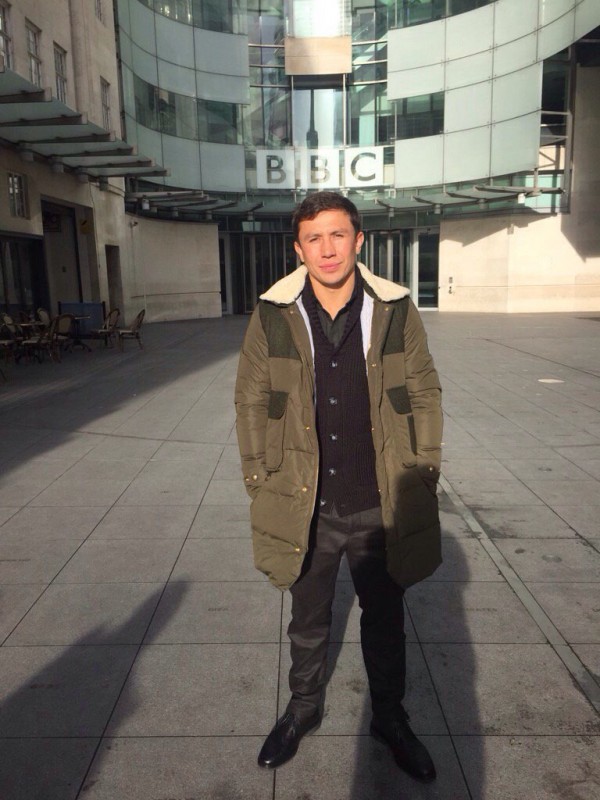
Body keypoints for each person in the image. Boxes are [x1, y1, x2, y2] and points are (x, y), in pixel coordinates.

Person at [234, 191, 443, 783]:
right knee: (308, 618)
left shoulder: (394, 308)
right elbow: (251, 399)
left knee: (385, 618)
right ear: (298, 249)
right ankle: (303, 708)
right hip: (307, 503)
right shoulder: (273, 313)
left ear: (358, 240)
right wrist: (260, 481)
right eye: (314, 238)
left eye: (338, 234)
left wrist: (422, 471)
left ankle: (390, 717)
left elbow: (424, 391)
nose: (327, 248)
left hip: (379, 499)